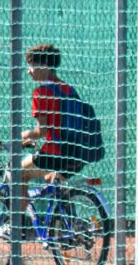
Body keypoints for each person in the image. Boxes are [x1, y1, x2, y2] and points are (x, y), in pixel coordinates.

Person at [20, 43, 102, 188]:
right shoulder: (68, 89)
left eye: (32, 66)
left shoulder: (41, 93)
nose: (29, 71)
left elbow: (41, 131)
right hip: (78, 153)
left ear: (45, 64)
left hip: (57, 153)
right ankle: (65, 202)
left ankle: (19, 206)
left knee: (18, 174)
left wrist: (20, 137)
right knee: (50, 181)